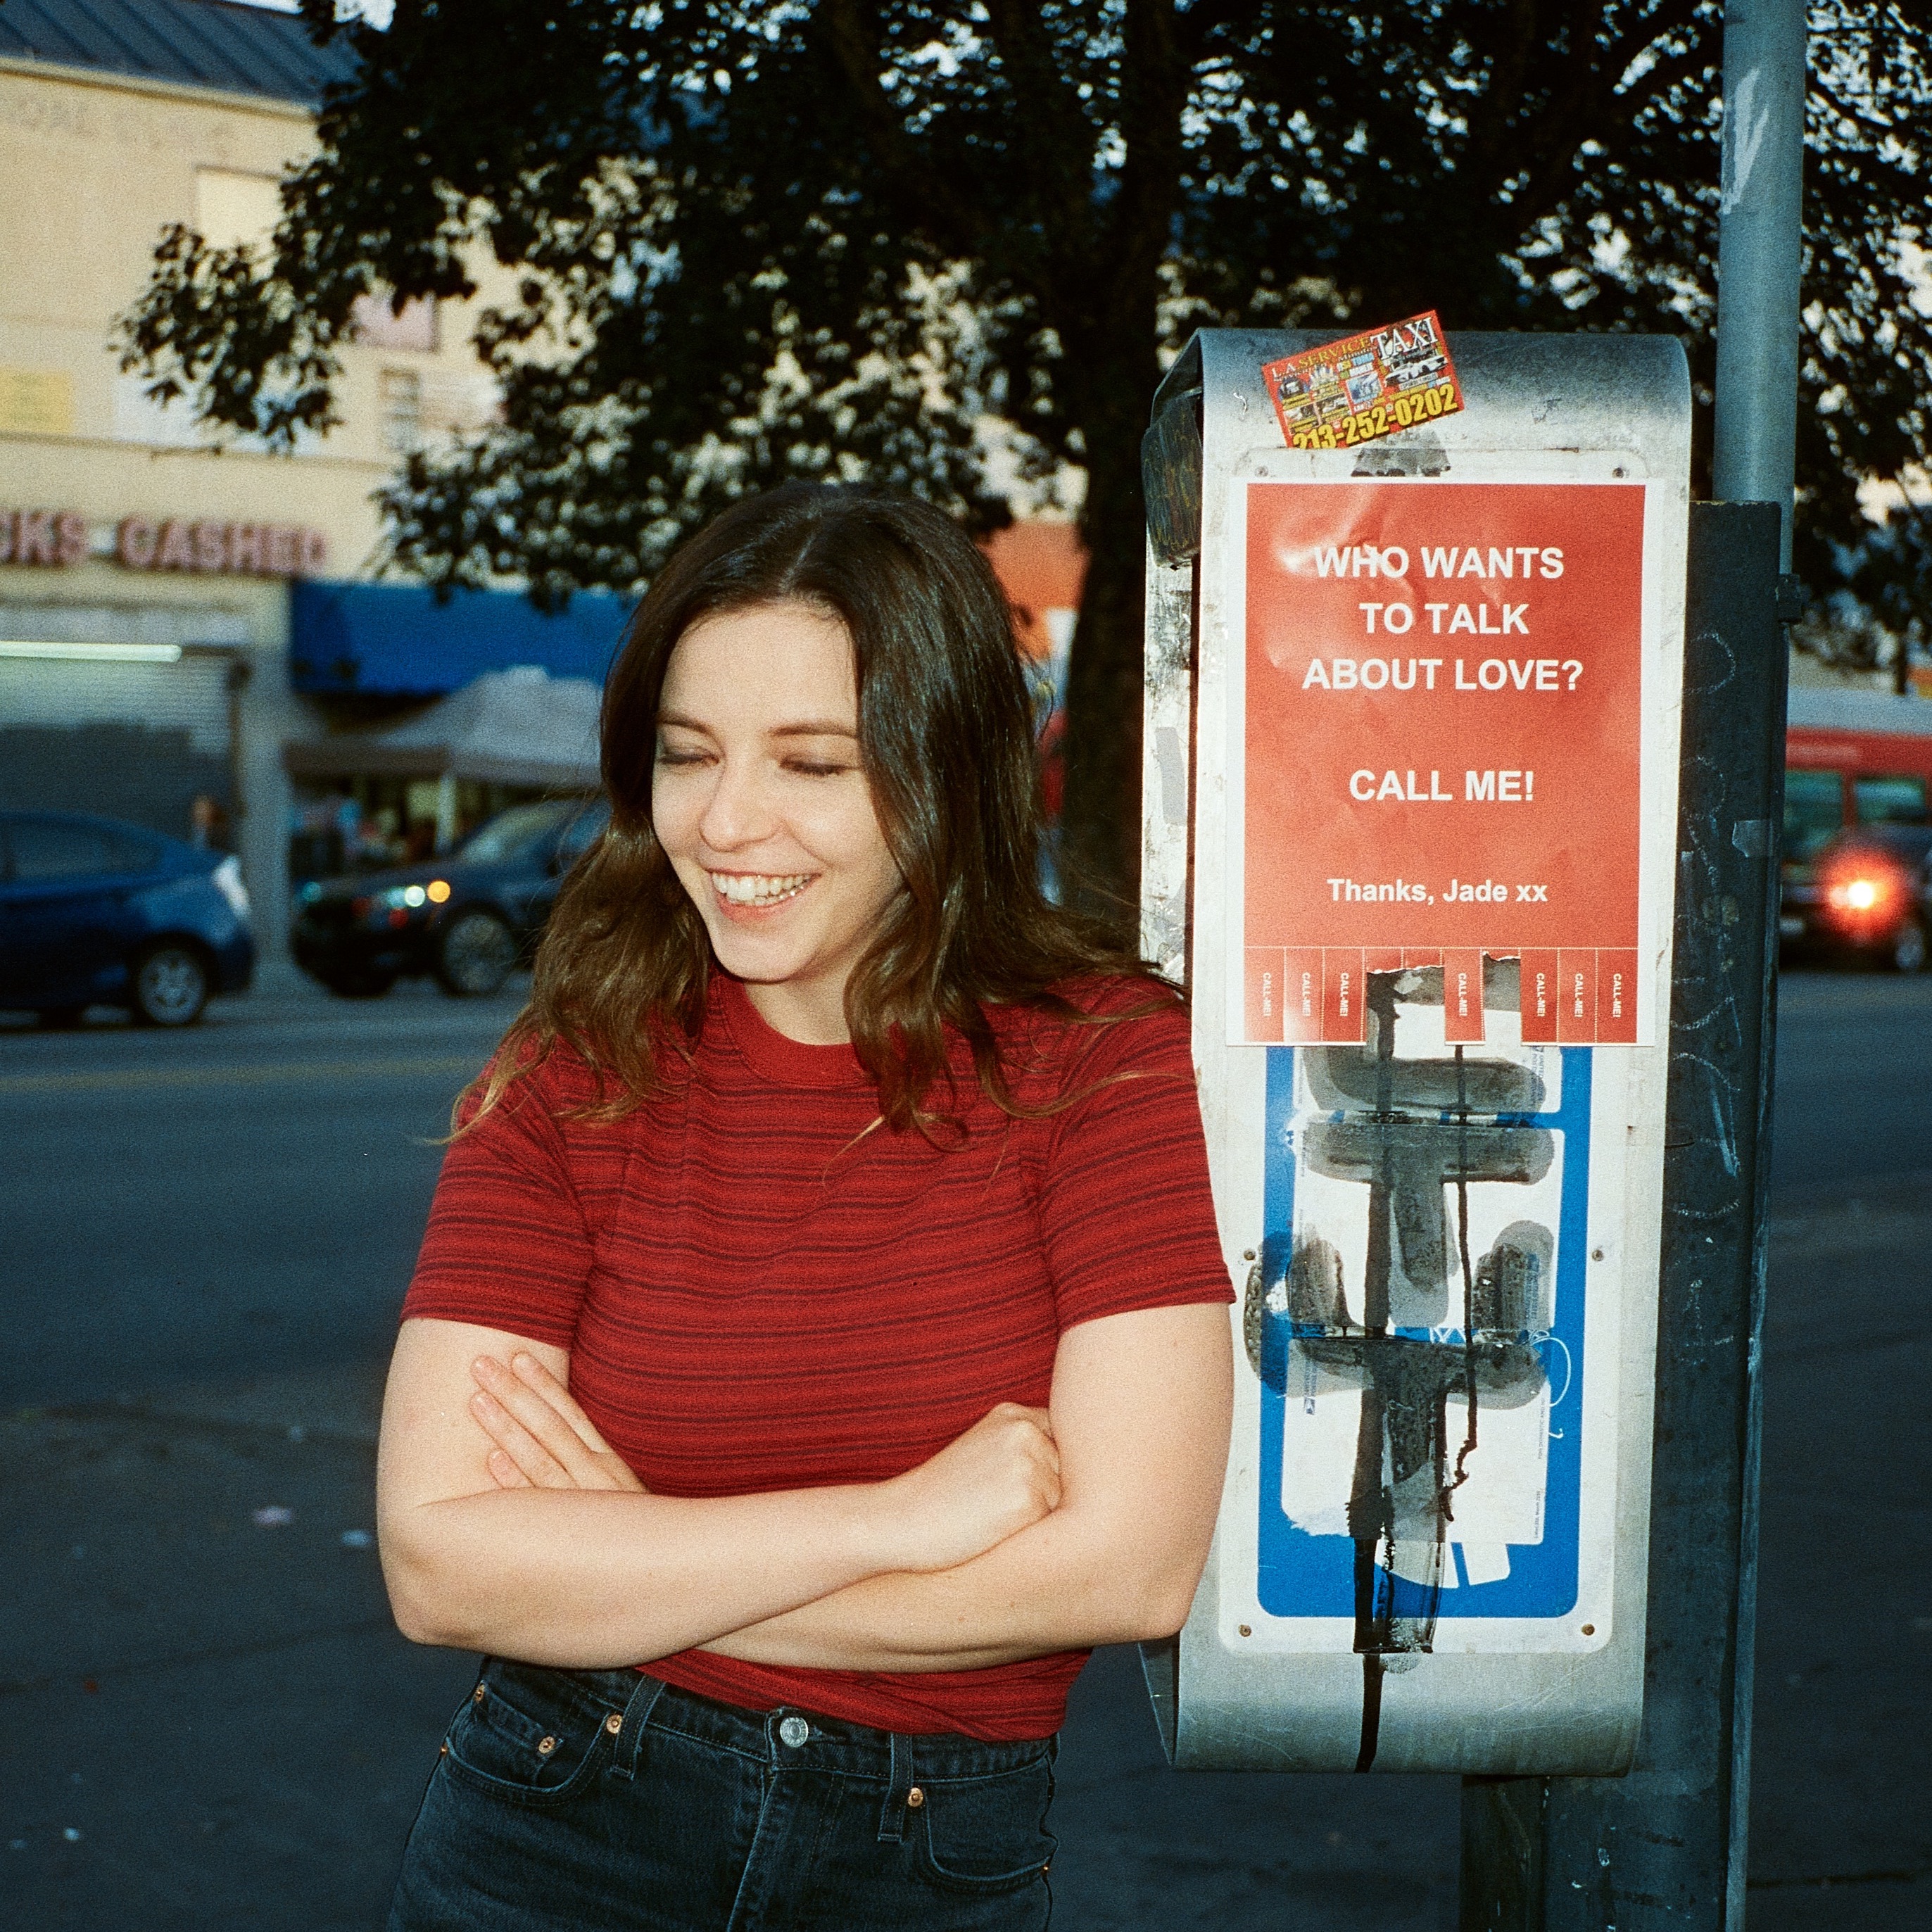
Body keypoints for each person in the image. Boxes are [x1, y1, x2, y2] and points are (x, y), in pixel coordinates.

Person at [375, 484, 1235, 1931]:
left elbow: (1130, 1563)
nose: (725, 820)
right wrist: (895, 1518)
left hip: (924, 1860)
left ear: (945, 773)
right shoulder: (578, 1064)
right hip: (555, 1821)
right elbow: (438, 1561)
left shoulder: (1099, 1055)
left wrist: (638, 1554)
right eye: (687, 753)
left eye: (813, 762)